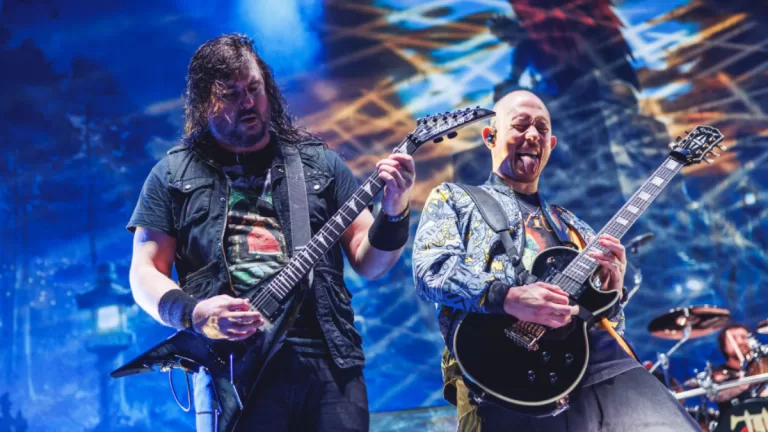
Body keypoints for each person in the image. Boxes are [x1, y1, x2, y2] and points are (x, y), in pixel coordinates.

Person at [126, 33, 415, 432]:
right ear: (205, 101)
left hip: (327, 359)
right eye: (231, 94)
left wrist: (395, 208)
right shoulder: (172, 174)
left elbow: (371, 263)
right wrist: (192, 313)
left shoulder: (320, 164)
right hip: (233, 367)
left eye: (254, 88)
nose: (248, 102)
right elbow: (144, 271)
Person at [412, 90, 700, 431]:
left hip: (588, 366)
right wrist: (508, 297)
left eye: (541, 128)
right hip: (498, 372)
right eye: (520, 125)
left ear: (550, 144)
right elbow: (431, 271)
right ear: (490, 137)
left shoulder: (575, 227)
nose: (532, 134)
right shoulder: (455, 198)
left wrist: (612, 295)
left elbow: (608, 324)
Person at [710, 323, 766, 410]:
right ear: (724, 346)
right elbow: (715, 396)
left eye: (743, 337)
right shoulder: (718, 373)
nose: (740, 342)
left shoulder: (762, 365)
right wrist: (740, 386)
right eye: (734, 339)